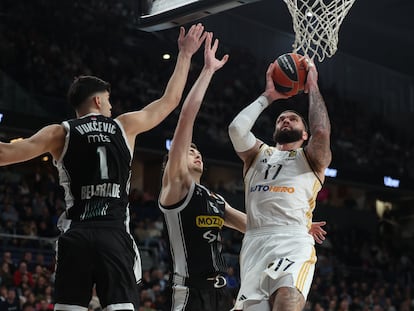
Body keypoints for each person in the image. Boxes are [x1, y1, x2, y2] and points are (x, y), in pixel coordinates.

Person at [0, 23, 207, 311]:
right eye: (109, 101)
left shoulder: (60, 132)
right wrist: (185, 54)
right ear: (98, 99)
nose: (111, 107)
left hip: (77, 234)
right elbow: (170, 101)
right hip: (113, 234)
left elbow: (5, 153)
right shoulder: (125, 126)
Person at [228, 57, 331, 311]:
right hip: (255, 242)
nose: (286, 120)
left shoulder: (311, 158)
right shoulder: (257, 154)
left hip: (292, 239)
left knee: (287, 300)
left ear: (304, 134)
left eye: (293, 119)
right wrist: (267, 97)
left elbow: (321, 133)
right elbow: (236, 129)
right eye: (281, 119)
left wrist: (313, 85)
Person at [158, 32, 246, 311]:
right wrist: (207, 70)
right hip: (190, 292)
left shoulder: (215, 200)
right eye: (189, 150)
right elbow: (187, 116)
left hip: (222, 294)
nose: (195, 152)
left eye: (198, 151)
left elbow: (253, 225)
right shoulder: (177, 185)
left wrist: (299, 225)